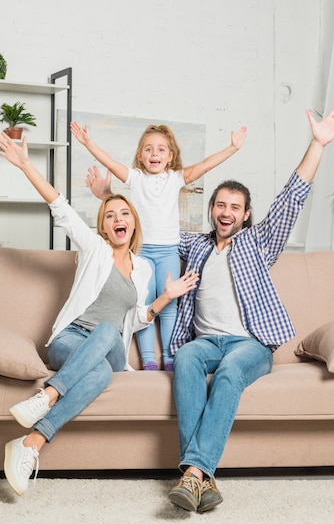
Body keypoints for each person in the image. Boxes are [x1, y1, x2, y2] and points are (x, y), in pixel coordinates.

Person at [88, 101, 334, 514]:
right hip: (206, 342)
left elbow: (291, 199)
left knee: (228, 373)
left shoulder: (258, 243)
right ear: (211, 210)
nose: (226, 212)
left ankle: (192, 472)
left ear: (245, 215)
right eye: (220, 205)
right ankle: (201, 479)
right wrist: (107, 196)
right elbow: (143, 228)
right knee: (187, 356)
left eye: (234, 207)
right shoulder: (194, 245)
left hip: (249, 346)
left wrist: (317, 145)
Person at [0, 132, 199, 497]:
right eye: (109, 215)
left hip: (110, 345)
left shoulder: (144, 270)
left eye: (124, 213)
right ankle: (31, 444)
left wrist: (165, 297)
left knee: (107, 332)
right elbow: (60, 205)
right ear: (103, 227)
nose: (118, 219)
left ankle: (48, 395)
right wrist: (26, 165)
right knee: (100, 373)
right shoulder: (94, 250)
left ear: (133, 223)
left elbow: (134, 320)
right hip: (69, 341)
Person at [70, 120, 246, 372]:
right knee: (143, 305)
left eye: (161, 149)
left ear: (170, 156)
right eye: (149, 149)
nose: (155, 154)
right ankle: (149, 360)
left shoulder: (175, 178)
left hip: (168, 252)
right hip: (140, 252)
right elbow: (109, 161)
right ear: (140, 156)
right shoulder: (135, 178)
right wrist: (88, 142)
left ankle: (169, 356)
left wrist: (232, 148)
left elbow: (204, 165)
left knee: (169, 303)